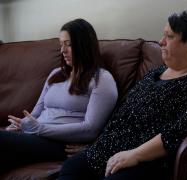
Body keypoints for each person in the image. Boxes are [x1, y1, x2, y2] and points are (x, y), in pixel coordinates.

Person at [58, 5, 187, 180]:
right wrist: (97, 145)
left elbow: (179, 131)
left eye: (169, 36)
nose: (161, 41)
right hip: (109, 149)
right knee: (71, 168)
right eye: (163, 34)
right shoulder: (156, 73)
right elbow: (123, 113)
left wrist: (135, 155)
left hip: (147, 160)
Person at [0, 18, 118, 173]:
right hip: (36, 136)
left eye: (68, 44)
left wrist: (38, 128)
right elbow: (34, 114)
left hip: (61, 143)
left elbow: (91, 129)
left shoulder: (101, 79)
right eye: (61, 44)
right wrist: (20, 125)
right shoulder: (55, 74)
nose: (63, 50)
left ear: (84, 45)